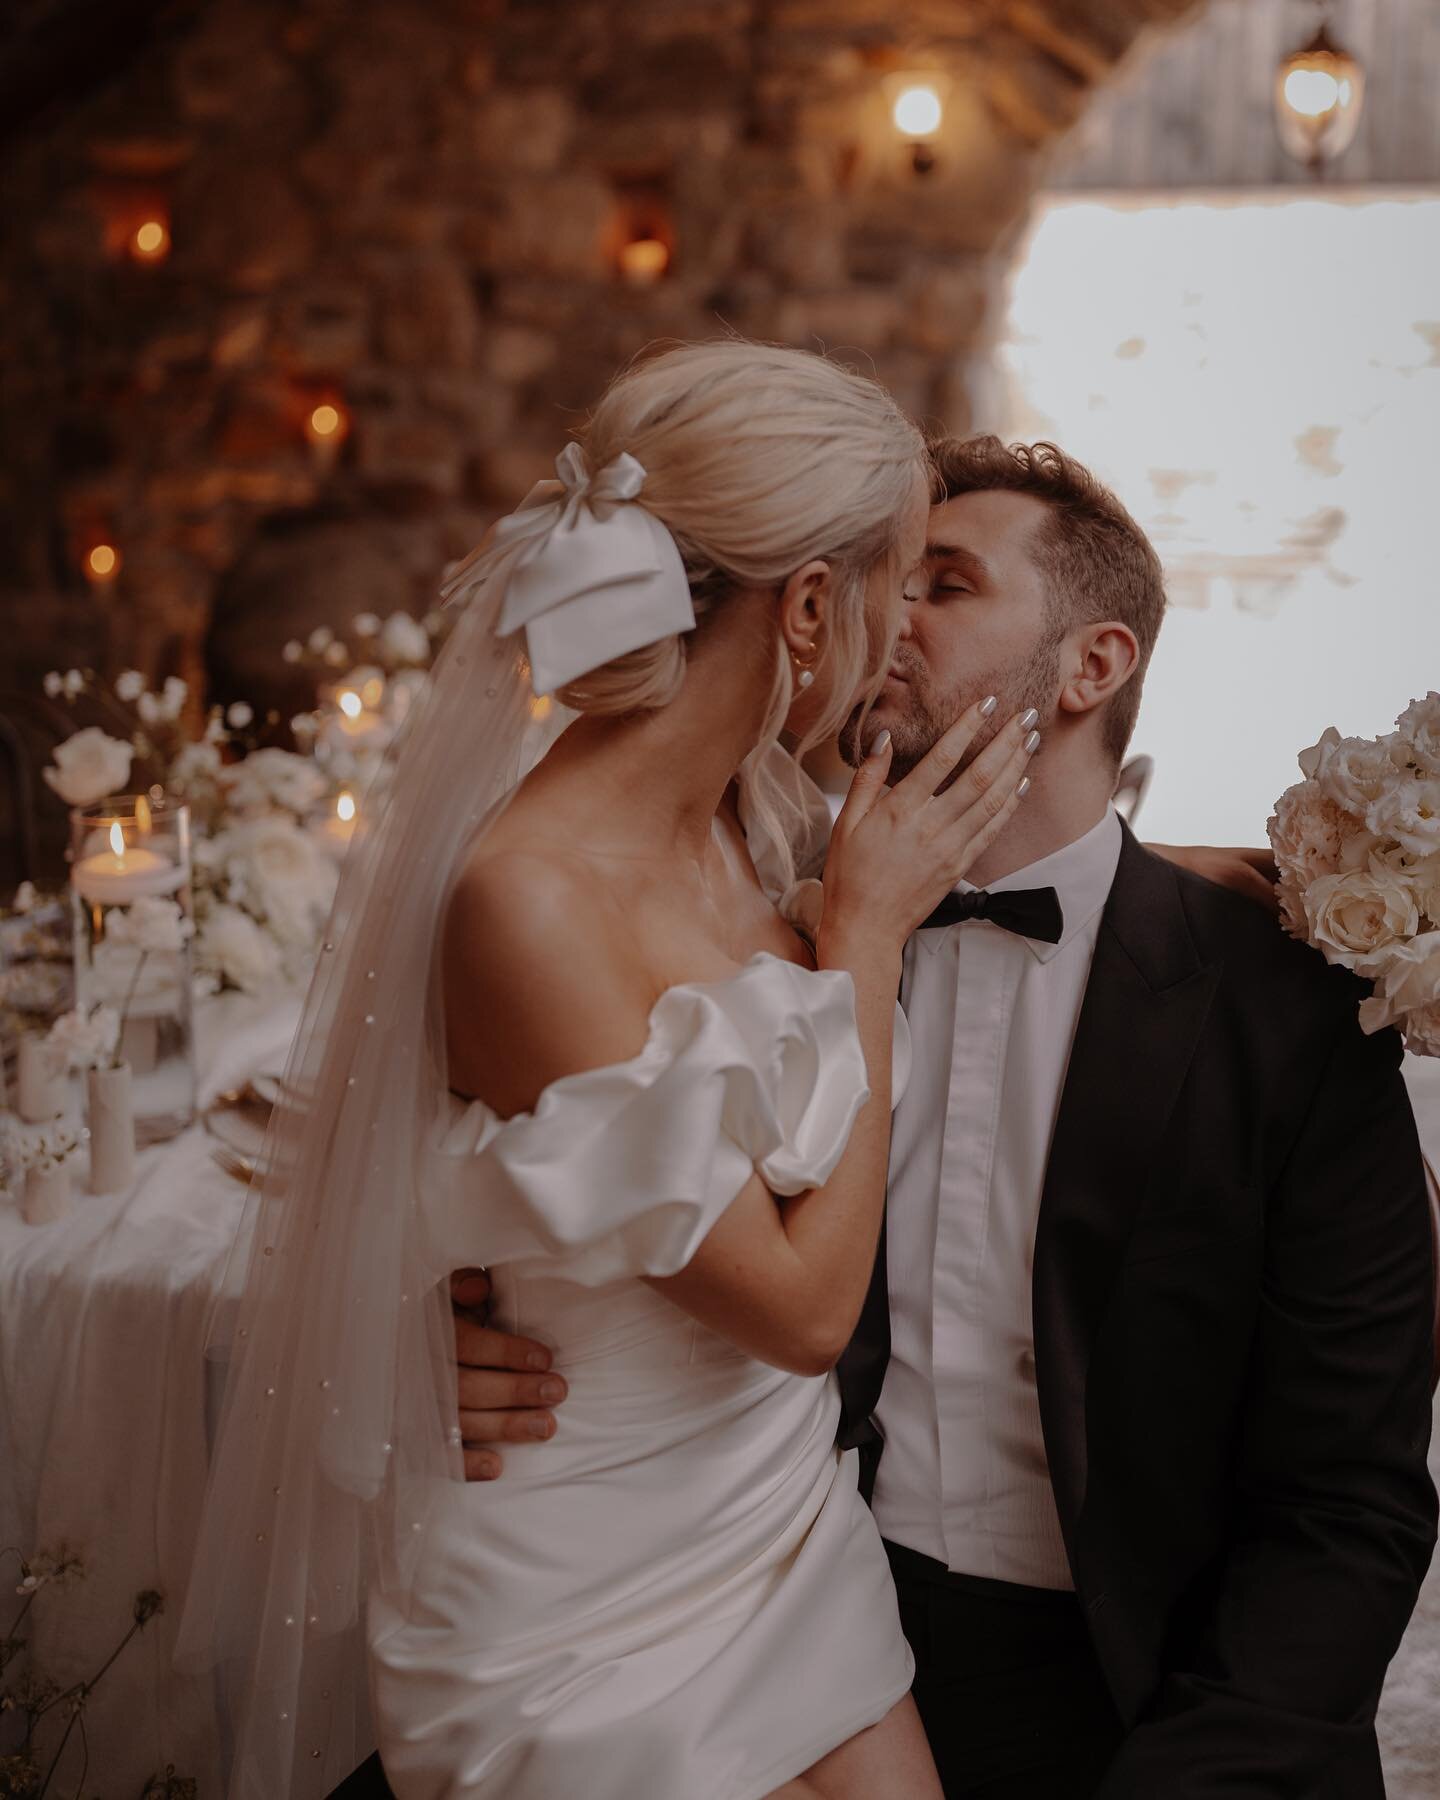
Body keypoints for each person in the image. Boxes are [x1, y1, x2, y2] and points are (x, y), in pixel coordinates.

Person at [453, 436, 1438, 1799]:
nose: (883, 615)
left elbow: (1348, 1503)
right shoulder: (754, 931)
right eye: (883, 579)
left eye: (944, 584)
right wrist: (459, 1329)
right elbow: (550, 1172)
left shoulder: (1282, 1004)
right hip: (786, 1639)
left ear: (1091, 667)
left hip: (1156, 1694)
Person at [177, 341, 1048, 1800]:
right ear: (813, 608)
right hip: (582, 1587)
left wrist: (1246, 876)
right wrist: (868, 949)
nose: (904, 630)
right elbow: (799, 1313)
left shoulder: (754, 811)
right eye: (900, 581)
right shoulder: (527, 903)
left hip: (781, 1528)